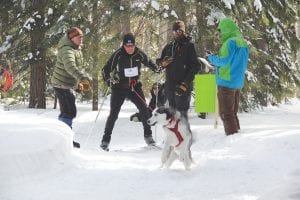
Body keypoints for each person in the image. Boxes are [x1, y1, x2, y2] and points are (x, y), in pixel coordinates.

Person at [100, 33, 160, 151]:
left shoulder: (139, 53)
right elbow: (106, 69)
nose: (130, 48)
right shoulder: (118, 54)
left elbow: (149, 62)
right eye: (127, 46)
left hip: (134, 87)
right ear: (123, 45)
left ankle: (148, 136)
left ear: (134, 45)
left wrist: (156, 68)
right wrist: (108, 80)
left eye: (132, 46)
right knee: (113, 114)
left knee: (144, 109)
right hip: (119, 88)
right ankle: (105, 141)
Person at [207, 17, 249, 135]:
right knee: (232, 113)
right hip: (237, 82)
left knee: (226, 113)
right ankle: (237, 136)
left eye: (220, 30)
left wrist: (211, 58)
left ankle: (232, 137)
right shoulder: (242, 42)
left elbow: (224, 61)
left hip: (226, 82)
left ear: (226, 29)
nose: (219, 34)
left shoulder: (229, 43)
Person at [51, 27, 91, 148]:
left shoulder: (75, 49)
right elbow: (70, 67)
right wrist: (82, 77)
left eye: (82, 37)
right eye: (79, 37)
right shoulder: (67, 50)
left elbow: (77, 67)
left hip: (66, 84)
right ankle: (64, 140)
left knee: (67, 111)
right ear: (72, 38)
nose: (81, 39)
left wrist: (79, 84)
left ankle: (62, 138)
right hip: (61, 84)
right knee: (69, 111)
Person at [157, 20, 201, 121]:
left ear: (183, 31)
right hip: (170, 87)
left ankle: (184, 136)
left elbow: (196, 66)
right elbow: (159, 63)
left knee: (182, 118)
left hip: (182, 87)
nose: (176, 33)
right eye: (174, 31)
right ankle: (172, 137)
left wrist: (185, 84)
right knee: (172, 117)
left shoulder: (189, 46)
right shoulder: (169, 46)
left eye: (179, 31)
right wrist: (162, 63)